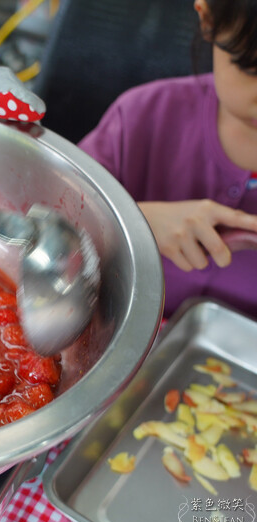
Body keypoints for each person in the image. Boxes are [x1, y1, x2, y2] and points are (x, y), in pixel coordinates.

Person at [78, 0, 257, 319]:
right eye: (251, 69)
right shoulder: (140, 117)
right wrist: (135, 223)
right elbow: (46, 224)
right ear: (208, 18)